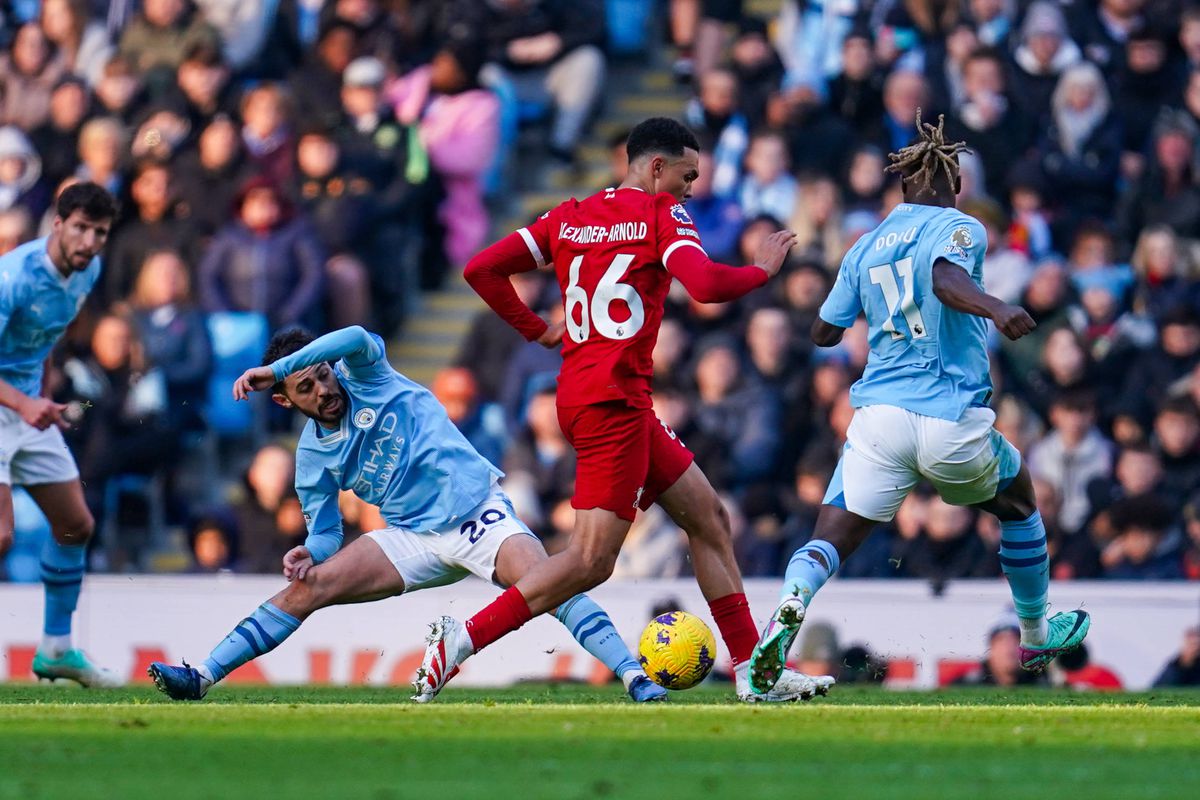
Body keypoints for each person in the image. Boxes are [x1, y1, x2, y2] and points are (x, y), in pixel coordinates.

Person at [426, 117, 834, 704]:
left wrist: (537, 329)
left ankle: (755, 671)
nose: (691, 188)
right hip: (611, 404)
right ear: (657, 167)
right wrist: (761, 271)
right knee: (590, 561)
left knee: (709, 519)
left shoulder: (570, 215)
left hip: (598, 397)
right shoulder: (660, 214)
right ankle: (462, 639)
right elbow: (706, 286)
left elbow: (480, 268)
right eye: (687, 176)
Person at [746, 112, 1090, 697]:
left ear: (902, 184)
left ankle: (790, 606)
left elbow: (824, 333)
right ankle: (1036, 633)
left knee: (830, 535)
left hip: (879, 419)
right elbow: (943, 278)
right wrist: (996, 308)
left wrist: (864, 306)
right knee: (1019, 503)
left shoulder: (864, 246)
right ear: (954, 182)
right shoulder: (960, 226)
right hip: (949, 415)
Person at [147, 326, 666, 703]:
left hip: (477, 514)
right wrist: (311, 551)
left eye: (322, 375)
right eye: (305, 388)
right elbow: (326, 531)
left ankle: (633, 675)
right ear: (284, 402)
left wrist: (279, 370)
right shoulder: (311, 458)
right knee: (308, 588)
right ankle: (202, 676)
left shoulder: (367, 374)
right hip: (412, 537)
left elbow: (353, 335)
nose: (324, 390)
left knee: (550, 582)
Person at [0, 182, 120, 687]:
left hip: (28, 408)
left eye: (100, 232)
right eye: (81, 228)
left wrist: (44, 391)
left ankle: (55, 650)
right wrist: (25, 402)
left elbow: (47, 334)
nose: (89, 241)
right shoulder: (13, 277)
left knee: (75, 525)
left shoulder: (88, 271)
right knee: (1, 535)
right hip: (8, 405)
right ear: (57, 224)